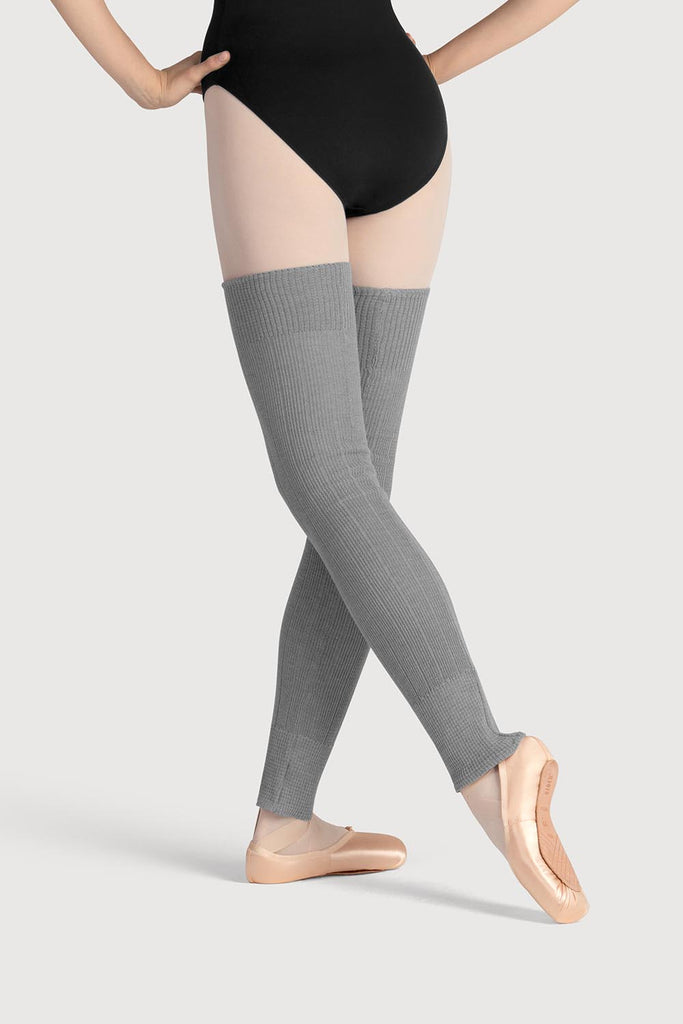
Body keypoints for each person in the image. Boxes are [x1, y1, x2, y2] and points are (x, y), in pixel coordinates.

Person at [48, 0, 588, 924]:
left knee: (330, 482)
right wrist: (430, 68)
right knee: (352, 492)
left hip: (273, 99)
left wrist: (144, 82)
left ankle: (487, 758)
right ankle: (285, 823)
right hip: (402, 111)